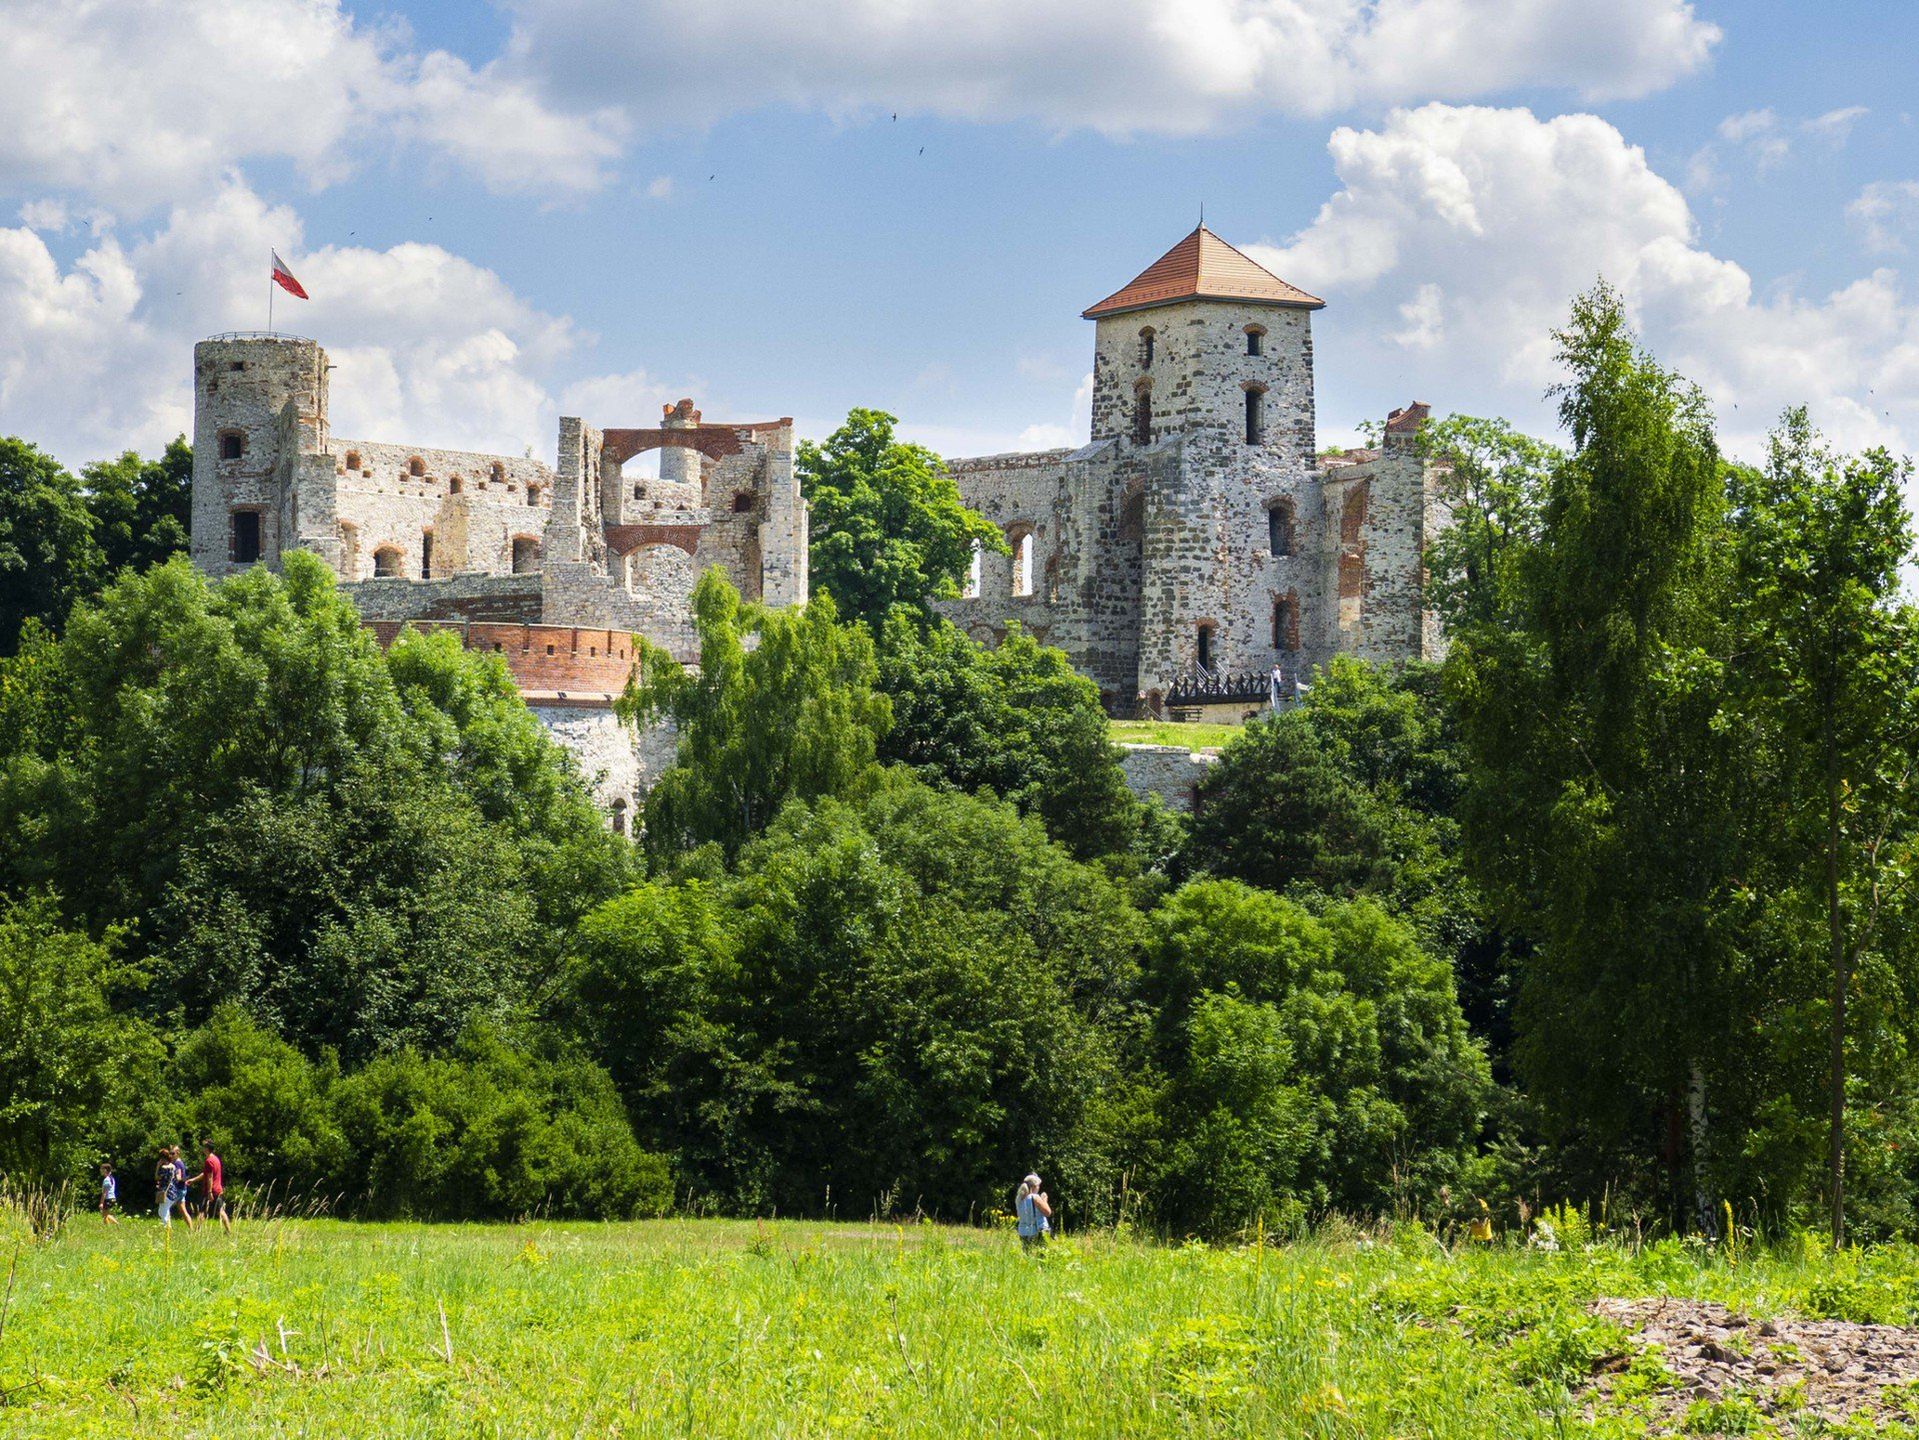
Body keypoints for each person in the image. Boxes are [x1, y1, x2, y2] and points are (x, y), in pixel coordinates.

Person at [190, 1139, 230, 1234]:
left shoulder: (209, 1160)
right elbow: (205, 1174)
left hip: (211, 1190)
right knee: (219, 1210)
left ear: (207, 1148)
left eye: (203, 1146)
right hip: (218, 1189)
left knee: (203, 1211)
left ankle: (197, 1231)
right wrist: (193, 1180)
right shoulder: (216, 1159)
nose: (202, 1148)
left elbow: (210, 1177)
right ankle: (228, 1231)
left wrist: (209, 1192)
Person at [1014, 1173, 1052, 1251]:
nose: (1039, 1188)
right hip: (1038, 1230)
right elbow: (1048, 1212)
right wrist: (1044, 1200)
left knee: (1027, 1254)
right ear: (1034, 1186)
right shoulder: (1035, 1197)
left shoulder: (1019, 1198)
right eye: (1038, 1186)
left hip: (1023, 1231)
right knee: (1043, 1254)